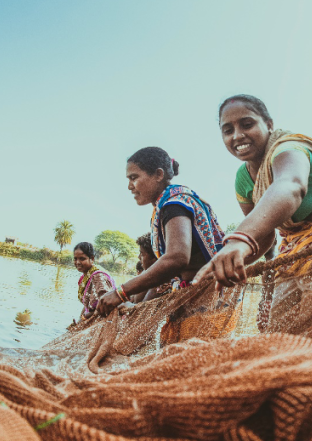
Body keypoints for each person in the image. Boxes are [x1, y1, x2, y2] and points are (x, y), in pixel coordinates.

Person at [193, 94, 312, 346]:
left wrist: (238, 239)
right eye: (228, 130)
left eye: (247, 124)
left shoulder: (288, 148)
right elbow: (265, 235)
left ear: (268, 124)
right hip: (294, 253)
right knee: (276, 341)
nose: (237, 136)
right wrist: (230, 264)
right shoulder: (243, 179)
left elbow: (291, 186)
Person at [96, 147, 233, 345]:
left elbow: (177, 257)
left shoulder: (173, 204)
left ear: (158, 174)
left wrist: (120, 293)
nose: (129, 186)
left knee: (189, 367)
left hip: (206, 300)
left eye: (134, 177)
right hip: (199, 297)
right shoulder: (173, 200)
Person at [73, 242, 116, 321]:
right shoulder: (85, 277)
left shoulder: (98, 276)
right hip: (92, 317)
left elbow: (107, 304)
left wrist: (84, 318)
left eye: (82, 259)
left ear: (92, 259)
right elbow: (87, 305)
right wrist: (80, 319)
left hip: (102, 320)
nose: (78, 262)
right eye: (75, 259)